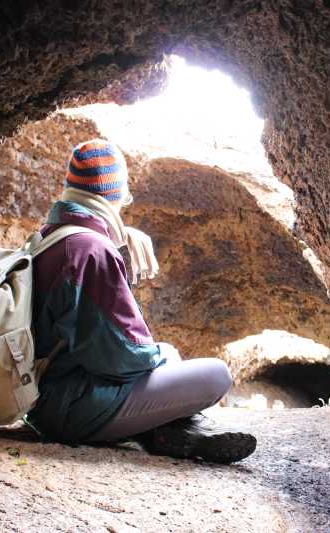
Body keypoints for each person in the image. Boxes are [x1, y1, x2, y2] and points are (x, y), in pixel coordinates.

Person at [25, 139, 256, 464]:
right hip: (69, 408)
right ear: (116, 193)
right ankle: (169, 433)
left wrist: (117, 239)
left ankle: (170, 436)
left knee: (167, 356)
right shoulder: (92, 251)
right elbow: (125, 358)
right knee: (214, 375)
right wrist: (159, 356)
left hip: (44, 397)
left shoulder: (52, 235)